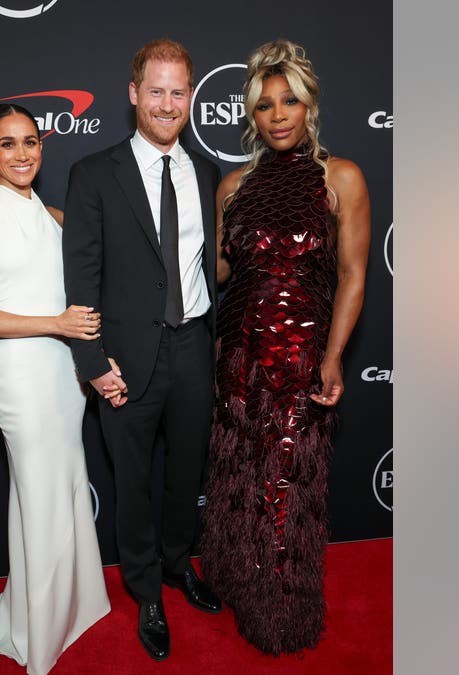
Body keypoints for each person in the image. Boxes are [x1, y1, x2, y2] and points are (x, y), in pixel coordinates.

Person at [198, 39, 371, 655]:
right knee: (239, 477)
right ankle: (236, 582)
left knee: (285, 489)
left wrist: (332, 359)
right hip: (235, 357)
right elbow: (217, 272)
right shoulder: (232, 185)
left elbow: (352, 275)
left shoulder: (340, 177)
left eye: (289, 101)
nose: (277, 115)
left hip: (299, 362)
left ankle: (281, 618)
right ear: (252, 113)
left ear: (309, 105)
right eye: (265, 104)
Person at [61, 38, 223, 661]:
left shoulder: (205, 172)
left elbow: (205, 267)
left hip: (193, 349)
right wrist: (93, 363)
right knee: (132, 484)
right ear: (133, 93)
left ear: (191, 97)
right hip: (125, 361)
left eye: (178, 91)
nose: (166, 103)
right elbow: (81, 278)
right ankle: (146, 589)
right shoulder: (94, 173)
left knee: (187, 475)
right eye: (154, 90)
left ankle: (181, 564)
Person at [0, 103, 110, 675]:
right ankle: (36, 632)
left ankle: (74, 604)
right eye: (8, 144)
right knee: (38, 497)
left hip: (66, 378)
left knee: (63, 488)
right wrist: (56, 324)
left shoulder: (60, 218)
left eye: (31, 142)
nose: (23, 154)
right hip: (21, 376)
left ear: (43, 148)